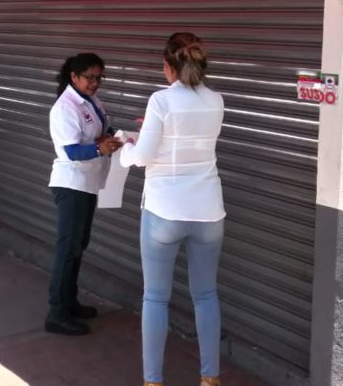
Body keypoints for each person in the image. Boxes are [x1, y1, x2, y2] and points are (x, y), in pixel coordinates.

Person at [119, 33, 226, 386]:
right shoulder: (216, 100)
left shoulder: (161, 100)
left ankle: (153, 381)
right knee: (206, 295)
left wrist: (126, 147)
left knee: (155, 298)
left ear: (168, 66)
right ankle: (210, 379)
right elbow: (192, 141)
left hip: (164, 211)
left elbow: (143, 156)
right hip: (209, 211)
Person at [45, 52, 122, 336]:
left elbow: (103, 127)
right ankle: (57, 314)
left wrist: (111, 137)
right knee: (68, 249)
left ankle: (70, 301)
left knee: (78, 245)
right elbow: (71, 150)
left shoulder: (91, 101)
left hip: (87, 183)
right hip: (71, 184)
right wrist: (99, 148)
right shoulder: (65, 108)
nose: (95, 83)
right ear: (74, 77)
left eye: (99, 77)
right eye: (89, 77)